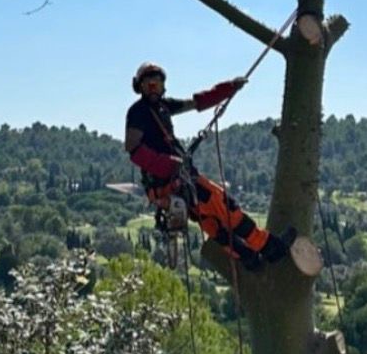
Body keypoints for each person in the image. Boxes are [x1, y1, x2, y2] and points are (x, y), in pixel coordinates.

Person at [124, 61, 293, 270]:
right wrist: (169, 164)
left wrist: (228, 88)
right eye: (149, 83)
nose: (153, 87)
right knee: (225, 207)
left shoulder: (163, 107)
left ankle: (250, 260)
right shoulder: (138, 112)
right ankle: (271, 248)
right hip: (175, 181)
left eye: (156, 83)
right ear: (139, 86)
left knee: (213, 225)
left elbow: (198, 102)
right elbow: (134, 149)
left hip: (174, 182)